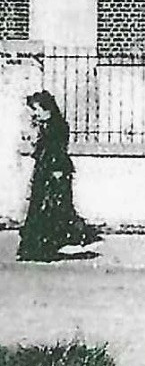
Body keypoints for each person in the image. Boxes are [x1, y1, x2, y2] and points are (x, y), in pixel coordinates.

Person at [18, 90, 99, 262]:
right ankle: (35, 248)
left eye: (37, 109)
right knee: (41, 208)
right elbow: (40, 151)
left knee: (53, 209)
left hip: (56, 172)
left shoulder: (58, 126)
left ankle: (46, 247)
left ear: (47, 109)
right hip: (44, 171)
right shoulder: (44, 125)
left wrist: (57, 172)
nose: (35, 113)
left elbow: (58, 150)